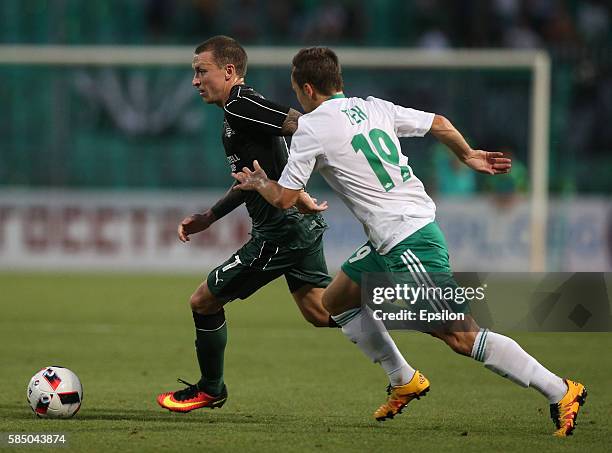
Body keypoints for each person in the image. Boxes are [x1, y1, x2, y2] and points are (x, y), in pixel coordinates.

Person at [232, 47, 587, 437]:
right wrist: (467, 155)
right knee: (334, 303)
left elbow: (284, 199)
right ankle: (403, 378)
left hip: (408, 240)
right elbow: (438, 122)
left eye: (296, 91)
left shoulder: (311, 128)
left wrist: (260, 182)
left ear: (307, 88)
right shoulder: (374, 107)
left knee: (459, 335)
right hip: (395, 236)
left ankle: (560, 390)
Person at [156, 36, 335, 413]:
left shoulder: (241, 104)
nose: (195, 80)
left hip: (280, 231)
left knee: (203, 302)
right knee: (322, 313)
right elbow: (252, 180)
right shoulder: (236, 115)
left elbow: (300, 125)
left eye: (201, 71)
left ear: (229, 71)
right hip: (294, 227)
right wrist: (210, 217)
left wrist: (296, 185)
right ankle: (417, 308)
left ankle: (210, 387)